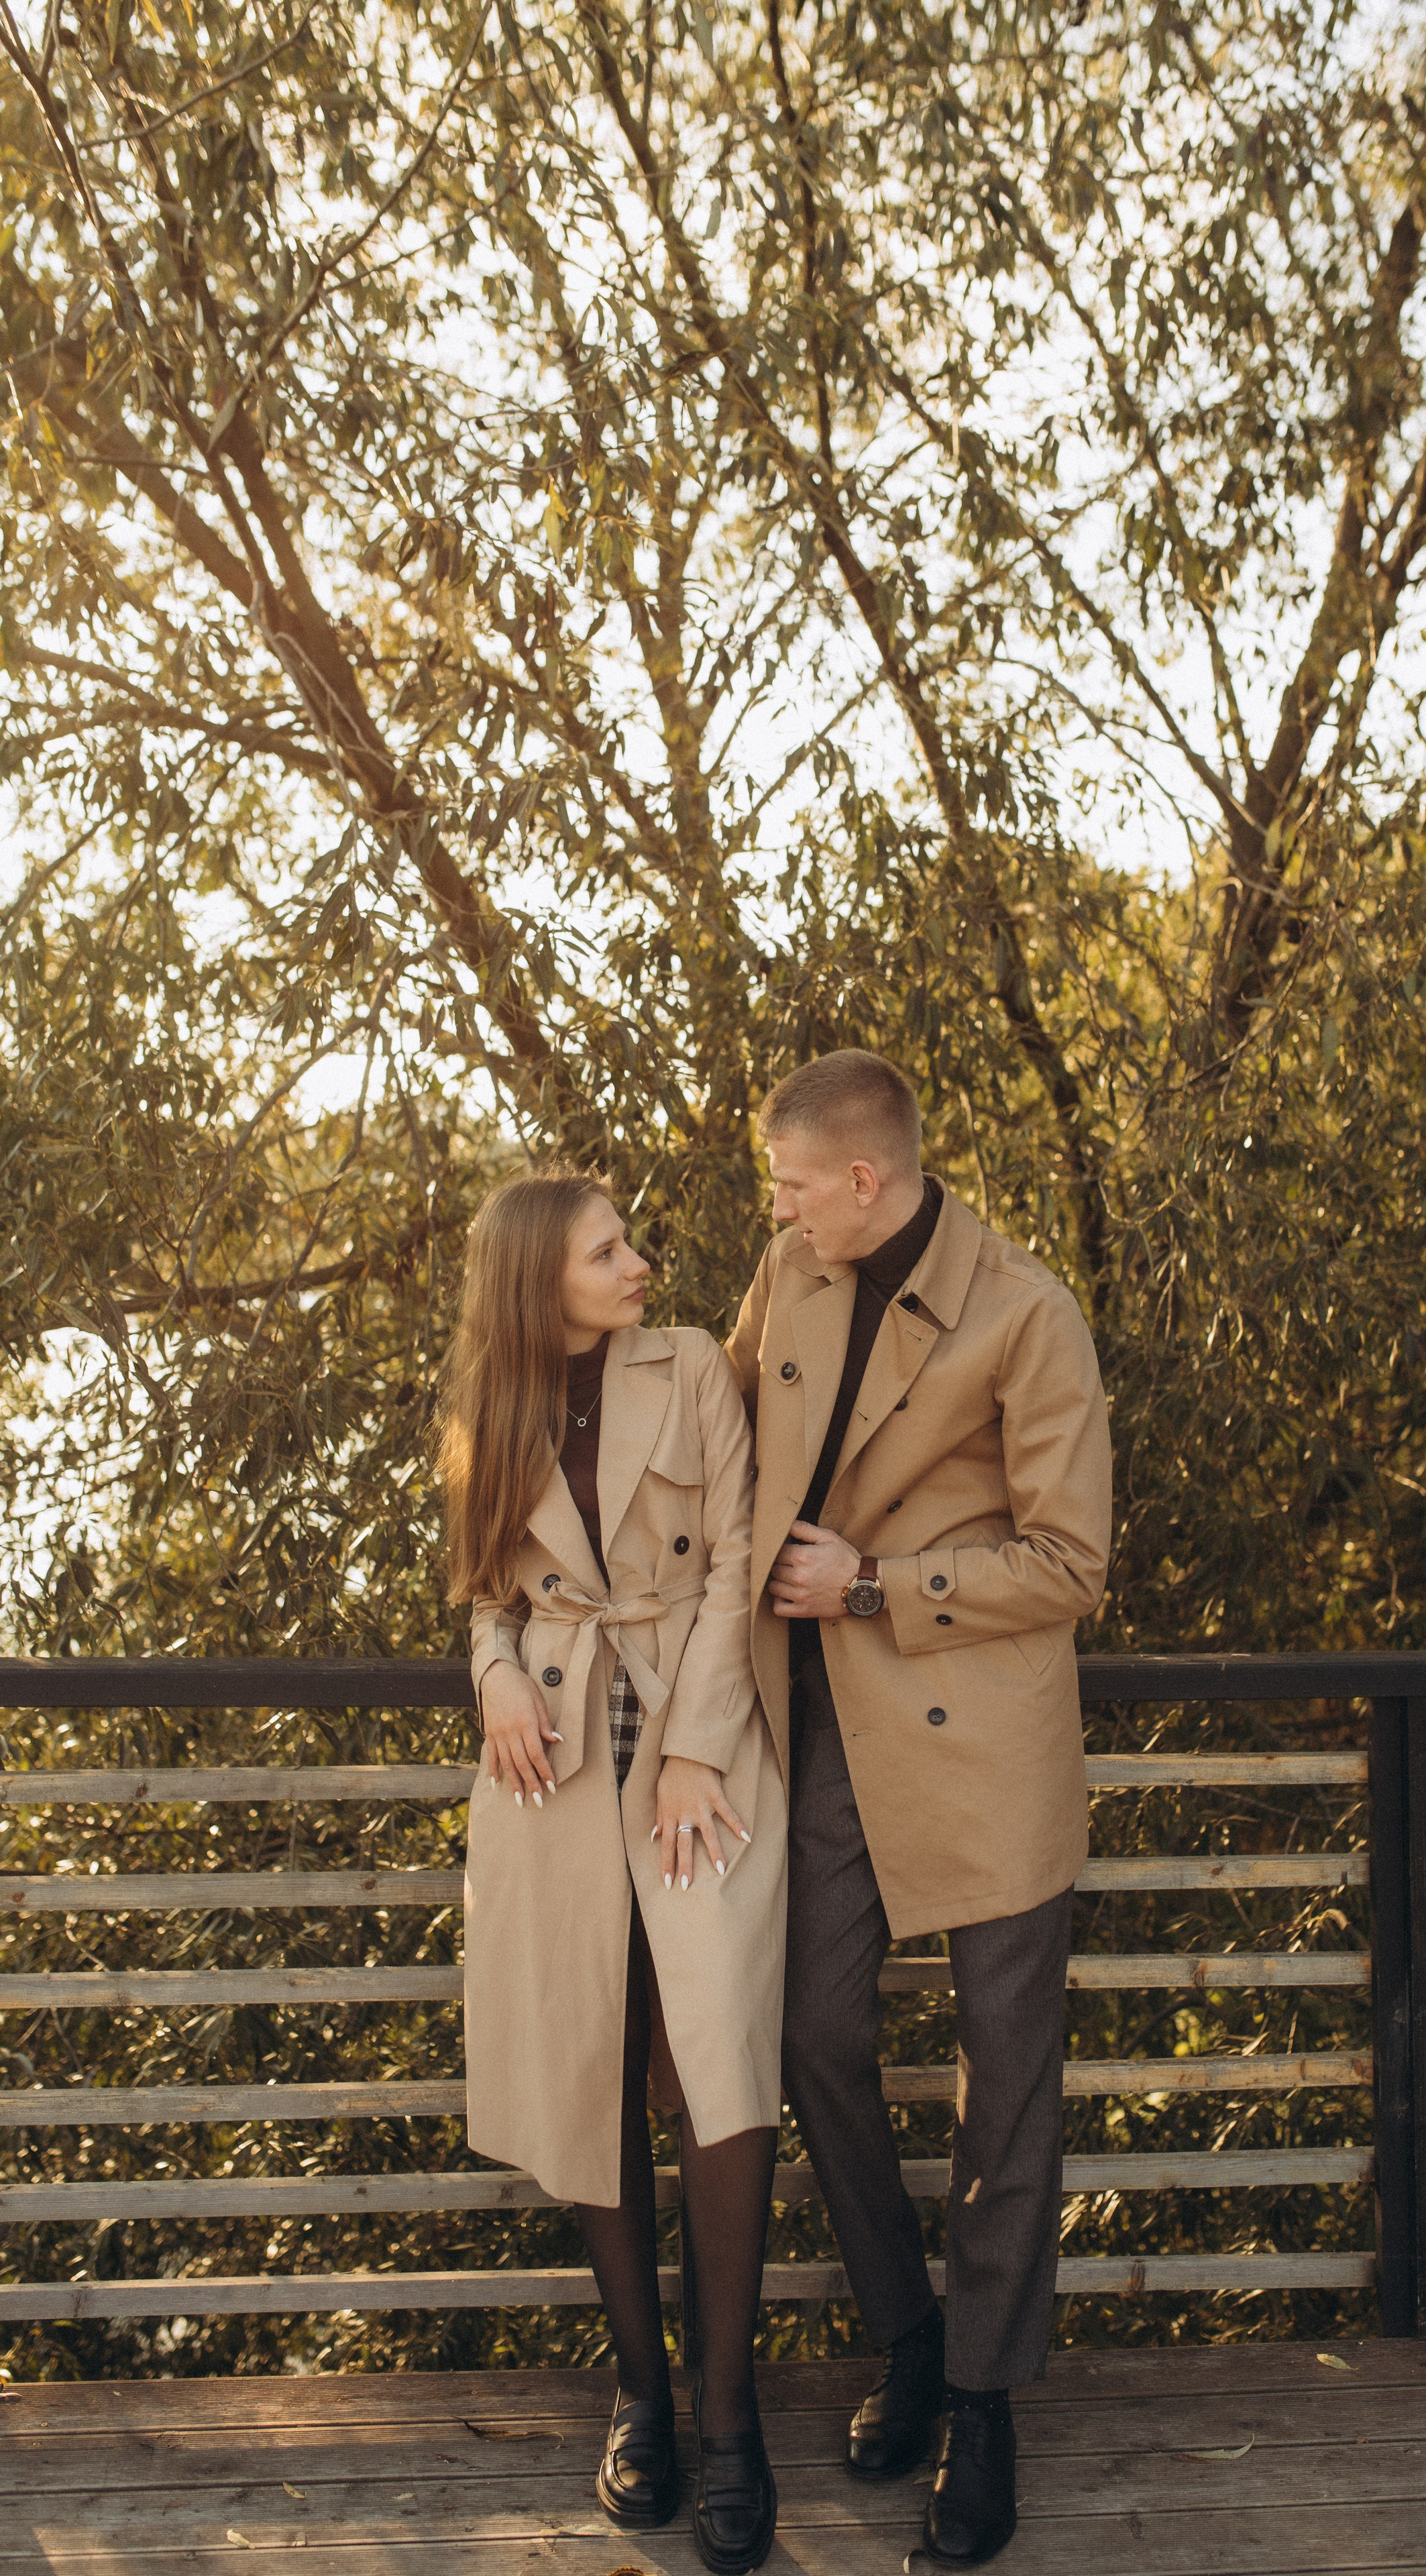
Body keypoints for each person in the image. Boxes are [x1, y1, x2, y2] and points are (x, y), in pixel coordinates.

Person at [725, 1052, 1111, 2569]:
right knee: (809, 2028)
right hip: (821, 1727)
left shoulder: (1027, 1312)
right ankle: (903, 2327)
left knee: (1004, 2086)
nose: (777, 1210)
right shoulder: (790, 1274)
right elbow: (722, 1438)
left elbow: (1070, 1563)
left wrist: (876, 1584)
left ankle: (984, 2400)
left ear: (864, 1184)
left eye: (791, 1185)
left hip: (983, 1739)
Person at [441, 1170, 787, 2576]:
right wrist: (494, 1676)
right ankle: (641, 2396)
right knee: (585, 2058)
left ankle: (731, 2415)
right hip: (553, 1766)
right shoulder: (485, 1403)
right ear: (542, 1280)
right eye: (608, 1251)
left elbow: (738, 1560)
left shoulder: (693, 1364)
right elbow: (478, 1590)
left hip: (697, 1751)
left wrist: (701, 1746)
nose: (638, 1263)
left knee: (717, 2061)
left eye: (628, 1245)